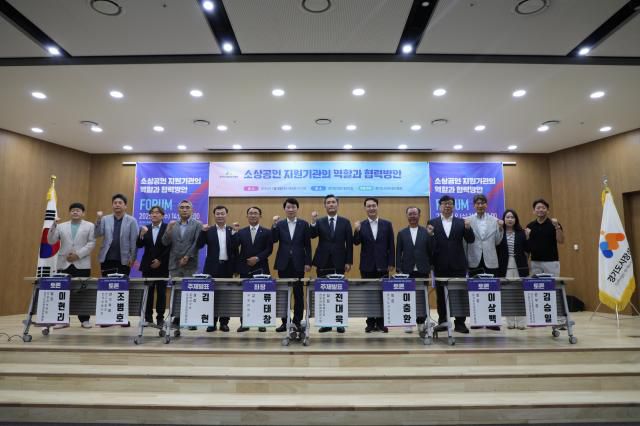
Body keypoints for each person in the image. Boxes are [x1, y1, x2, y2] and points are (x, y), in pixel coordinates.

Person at [428, 195, 475, 334]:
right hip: (440, 264)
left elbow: (471, 240)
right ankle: (443, 322)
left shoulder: (461, 222)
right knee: (441, 295)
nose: (447, 206)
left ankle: (460, 323)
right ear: (440, 206)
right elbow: (430, 245)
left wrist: (468, 228)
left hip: (458, 264)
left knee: (460, 294)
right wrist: (429, 235)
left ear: (454, 206)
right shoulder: (432, 222)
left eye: (449, 203)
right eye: (444, 203)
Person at [47, 202, 96, 329]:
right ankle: (62, 320)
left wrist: (77, 255)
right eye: (73, 210)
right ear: (70, 212)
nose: (75, 212)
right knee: (62, 292)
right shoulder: (61, 226)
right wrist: (53, 225)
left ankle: (85, 320)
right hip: (64, 263)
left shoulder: (90, 226)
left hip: (82, 263)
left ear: (83, 213)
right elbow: (51, 241)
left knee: (83, 293)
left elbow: (91, 243)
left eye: (78, 210)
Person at [310, 194, 353, 333]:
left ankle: (339, 322)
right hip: (323, 261)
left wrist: (349, 261)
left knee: (339, 292)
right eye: (328, 202)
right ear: (325, 206)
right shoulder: (320, 221)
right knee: (324, 293)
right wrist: (313, 221)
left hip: (339, 261)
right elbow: (312, 235)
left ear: (337, 204)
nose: (331, 204)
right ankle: (326, 323)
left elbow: (349, 243)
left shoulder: (345, 222)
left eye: (333, 202)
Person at [353, 197, 395, 333]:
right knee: (369, 294)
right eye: (368, 206)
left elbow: (391, 245)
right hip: (367, 265)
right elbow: (356, 242)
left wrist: (391, 263)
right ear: (365, 208)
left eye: (373, 206)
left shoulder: (387, 224)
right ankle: (370, 323)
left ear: (377, 207)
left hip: (383, 265)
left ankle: (381, 322)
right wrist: (357, 230)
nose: (371, 208)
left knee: (383, 294)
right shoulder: (362, 225)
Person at [272, 198, 312, 333]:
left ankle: (297, 322)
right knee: (284, 294)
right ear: (284, 209)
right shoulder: (280, 224)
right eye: (288, 207)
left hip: (299, 263)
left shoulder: (304, 224)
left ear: (297, 209)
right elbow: (274, 239)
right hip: (283, 263)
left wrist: (308, 262)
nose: (290, 209)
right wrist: (274, 225)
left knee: (298, 293)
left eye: (293, 207)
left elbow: (308, 245)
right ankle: (285, 322)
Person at [465, 194, 504, 331]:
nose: (480, 205)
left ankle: (492, 321)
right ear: (474, 205)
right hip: (474, 259)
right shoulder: (467, 220)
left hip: (490, 259)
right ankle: (476, 321)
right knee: (475, 291)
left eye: (482, 203)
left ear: (486, 205)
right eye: (478, 203)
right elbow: (465, 242)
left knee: (492, 290)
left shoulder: (495, 220)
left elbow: (498, 241)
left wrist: (500, 229)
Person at [161, 199, 202, 328]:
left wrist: (187, 256)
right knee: (176, 292)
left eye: (187, 207)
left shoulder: (197, 224)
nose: (184, 210)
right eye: (182, 207)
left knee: (190, 292)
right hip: (174, 264)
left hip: (190, 263)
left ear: (192, 210)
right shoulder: (173, 224)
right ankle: (177, 318)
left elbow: (197, 243)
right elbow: (165, 242)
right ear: (178, 210)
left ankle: (191, 319)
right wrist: (168, 229)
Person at [233, 206, 273, 332]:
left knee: (261, 296)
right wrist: (234, 233)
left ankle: (261, 323)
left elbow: (269, 249)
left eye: (255, 213)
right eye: (250, 213)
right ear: (247, 216)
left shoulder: (267, 232)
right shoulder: (241, 232)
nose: (253, 215)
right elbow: (234, 246)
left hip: (261, 268)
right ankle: (244, 323)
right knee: (245, 296)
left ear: (260, 216)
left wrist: (257, 258)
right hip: (245, 268)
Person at [197, 205, 237, 332]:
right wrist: (202, 232)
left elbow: (235, 249)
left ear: (226, 215)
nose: (220, 216)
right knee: (211, 295)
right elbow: (199, 245)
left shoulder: (231, 230)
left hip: (227, 267)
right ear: (214, 215)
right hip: (212, 267)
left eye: (222, 213)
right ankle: (211, 323)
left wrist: (236, 268)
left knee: (225, 296)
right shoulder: (208, 230)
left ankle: (224, 323)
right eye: (217, 214)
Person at [396, 206, 434, 333]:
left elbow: (431, 251)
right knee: (407, 296)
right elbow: (398, 252)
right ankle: (408, 322)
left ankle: (421, 322)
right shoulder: (402, 233)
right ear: (407, 216)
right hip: (407, 270)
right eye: (410, 214)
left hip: (423, 269)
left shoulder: (426, 232)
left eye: (415, 214)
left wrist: (431, 236)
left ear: (419, 215)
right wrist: (398, 268)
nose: (412, 216)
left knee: (422, 297)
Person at [136, 205, 170, 327]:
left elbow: (169, 247)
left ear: (162, 215)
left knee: (161, 293)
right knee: (148, 292)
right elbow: (139, 245)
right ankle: (148, 318)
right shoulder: (145, 228)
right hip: (148, 266)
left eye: (157, 212)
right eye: (152, 213)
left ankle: (160, 318)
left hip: (163, 265)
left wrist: (160, 260)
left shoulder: (167, 228)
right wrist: (141, 235)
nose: (154, 215)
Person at [497, 209, 529, 330]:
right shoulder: (500, 232)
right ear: (504, 219)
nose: (510, 219)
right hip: (504, 266)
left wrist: (528, 237)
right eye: (507, 217)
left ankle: (521, 322)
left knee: (520, 293)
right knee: (507, 293)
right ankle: (510, 322)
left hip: (520, 265)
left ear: (516, 220)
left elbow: (527, 249)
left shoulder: (521, 233)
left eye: (512, 217)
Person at [95, 193, 139, 277]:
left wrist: (132, 258)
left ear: (125, 206)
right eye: (115, 203)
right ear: (112, 205)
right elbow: (97, 234)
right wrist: (98, 220)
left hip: (124, 260)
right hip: (107, 259)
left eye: (120, 203)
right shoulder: (105, 219)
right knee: (106, 282)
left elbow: (134, 241)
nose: (117, 205)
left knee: (121, 283)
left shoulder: (132, 221)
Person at [525, 198, 564, 277]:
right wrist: (526, 261)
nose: (541, 210)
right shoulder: (530, 226)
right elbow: (527, 246)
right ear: (534, 211)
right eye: (538, 208)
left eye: (543, 208)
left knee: (552, 284)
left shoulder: (554, 224)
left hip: (551, 262)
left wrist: (557, 227)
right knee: (536, 284)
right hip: (535, 262)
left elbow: (561, 240)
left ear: (548, 211)